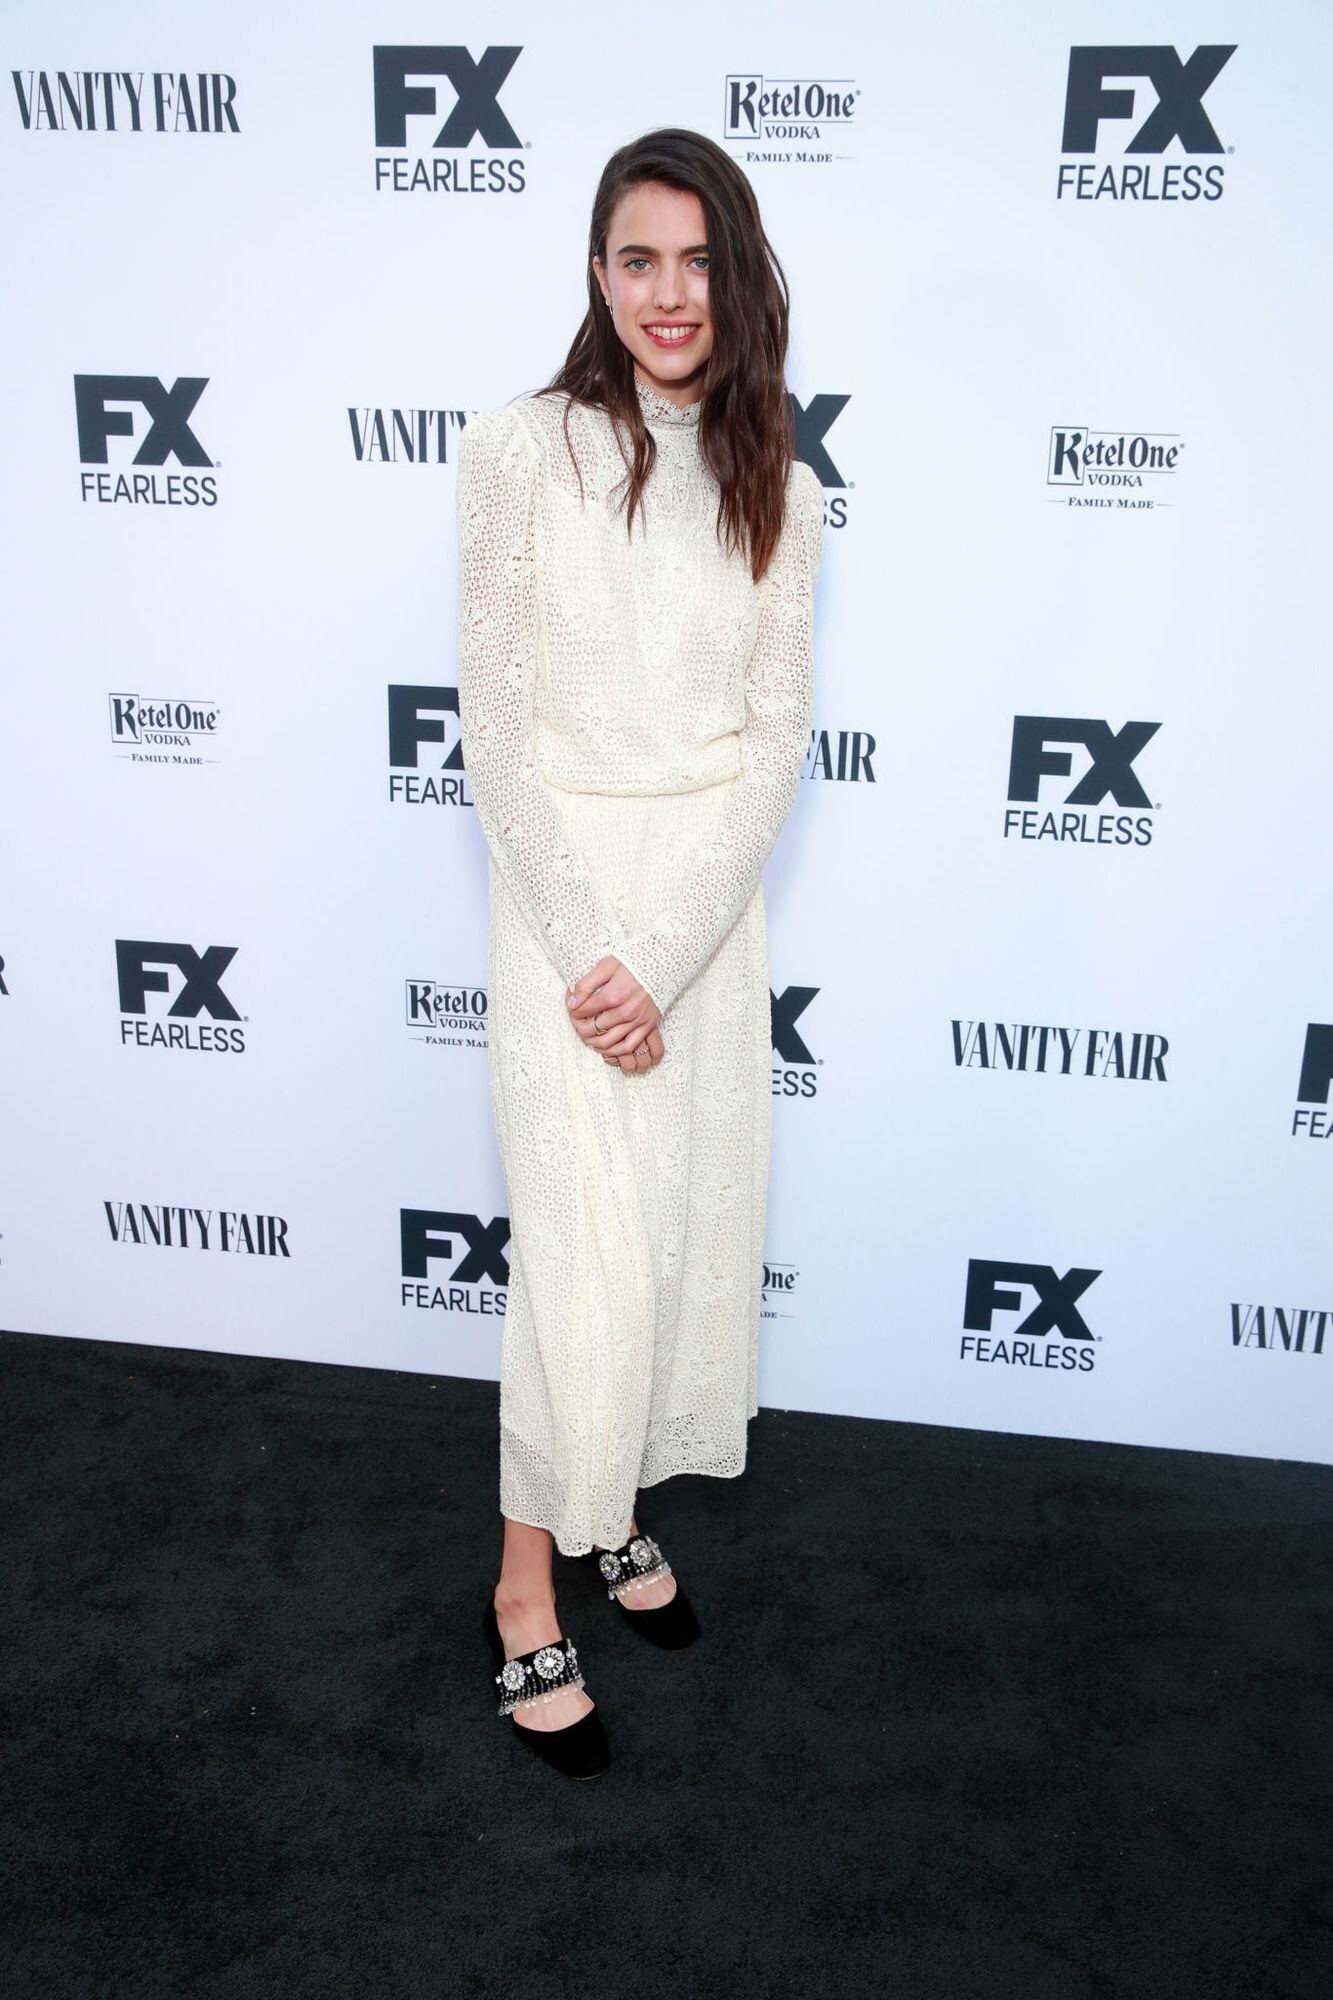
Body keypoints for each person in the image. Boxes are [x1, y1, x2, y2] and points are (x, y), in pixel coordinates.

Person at [456, 127, 825, 1778]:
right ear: (596, 274)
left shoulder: (778, 484)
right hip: (560, 922)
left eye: (694, 260)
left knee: (669, 1251)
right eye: (634, 258)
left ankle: (609, 1514)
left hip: (701, 927)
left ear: (735, 276)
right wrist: (591, 954)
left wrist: (662, 956)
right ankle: (522, 1585)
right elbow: (496, 731)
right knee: (577, 1262)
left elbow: (770, 747)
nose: (667, 293)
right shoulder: (517, 450)